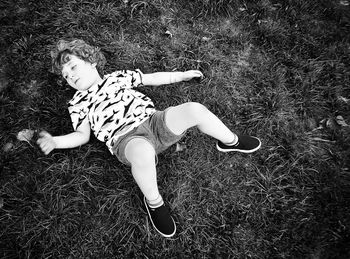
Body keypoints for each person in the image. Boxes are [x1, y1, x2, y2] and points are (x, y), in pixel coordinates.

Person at [37, 39, 261, 238]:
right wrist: (56, 141)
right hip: (125, 139)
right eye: (66, 76)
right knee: (143, 155)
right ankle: (154, 202)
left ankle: (230, 141)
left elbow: (151, 78)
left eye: (73, 67)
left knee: (194, 109)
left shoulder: (117, 78)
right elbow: (81, 135)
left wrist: (180, 76)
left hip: (154, 121)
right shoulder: (78, 104)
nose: (71, 76)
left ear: (92, 62)